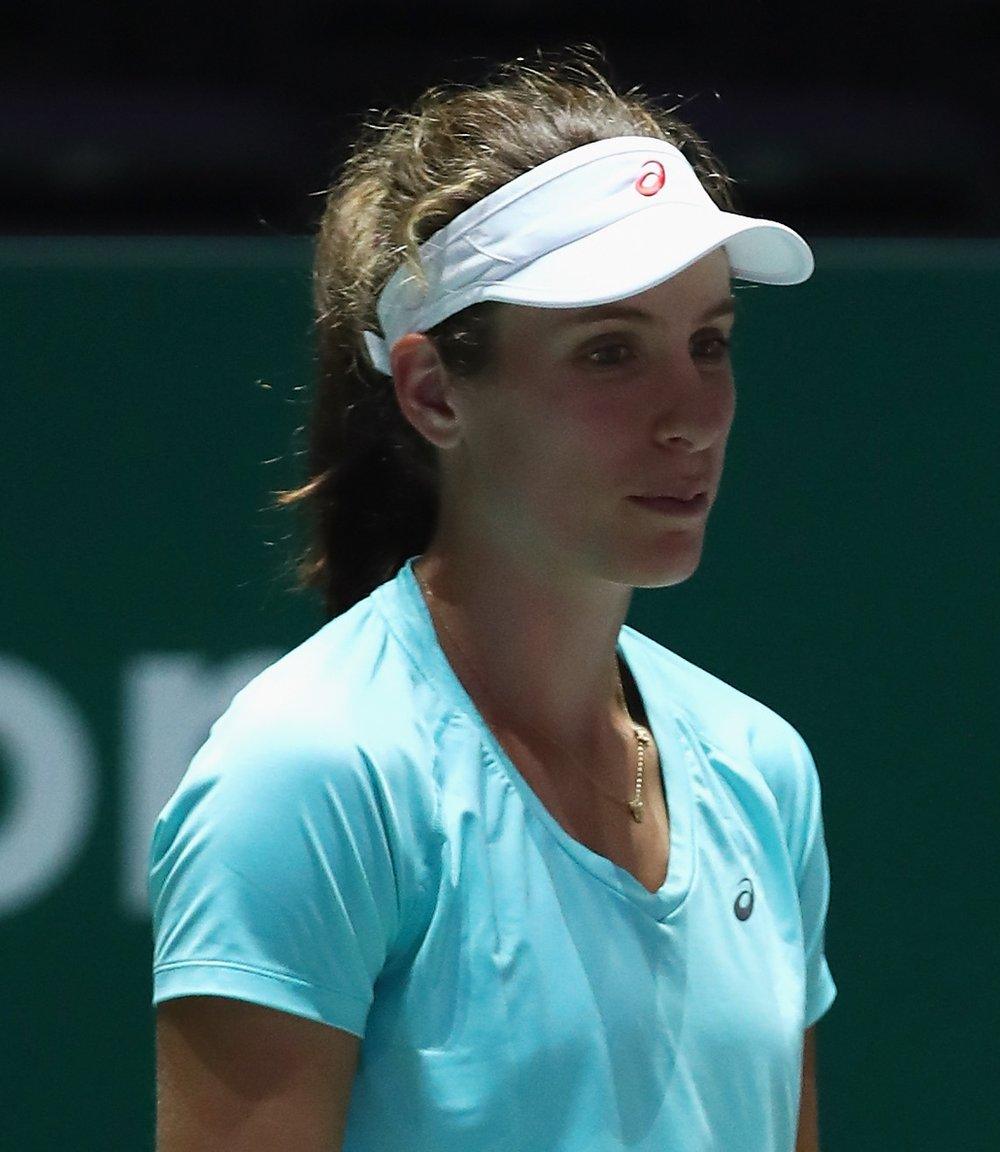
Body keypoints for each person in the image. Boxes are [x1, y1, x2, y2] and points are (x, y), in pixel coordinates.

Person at [150, 58, 833, 1152]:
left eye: (708, 343)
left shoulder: (763, 768)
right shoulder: (307, 777)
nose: (692, 416)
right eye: (609, 352)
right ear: (433, 392)